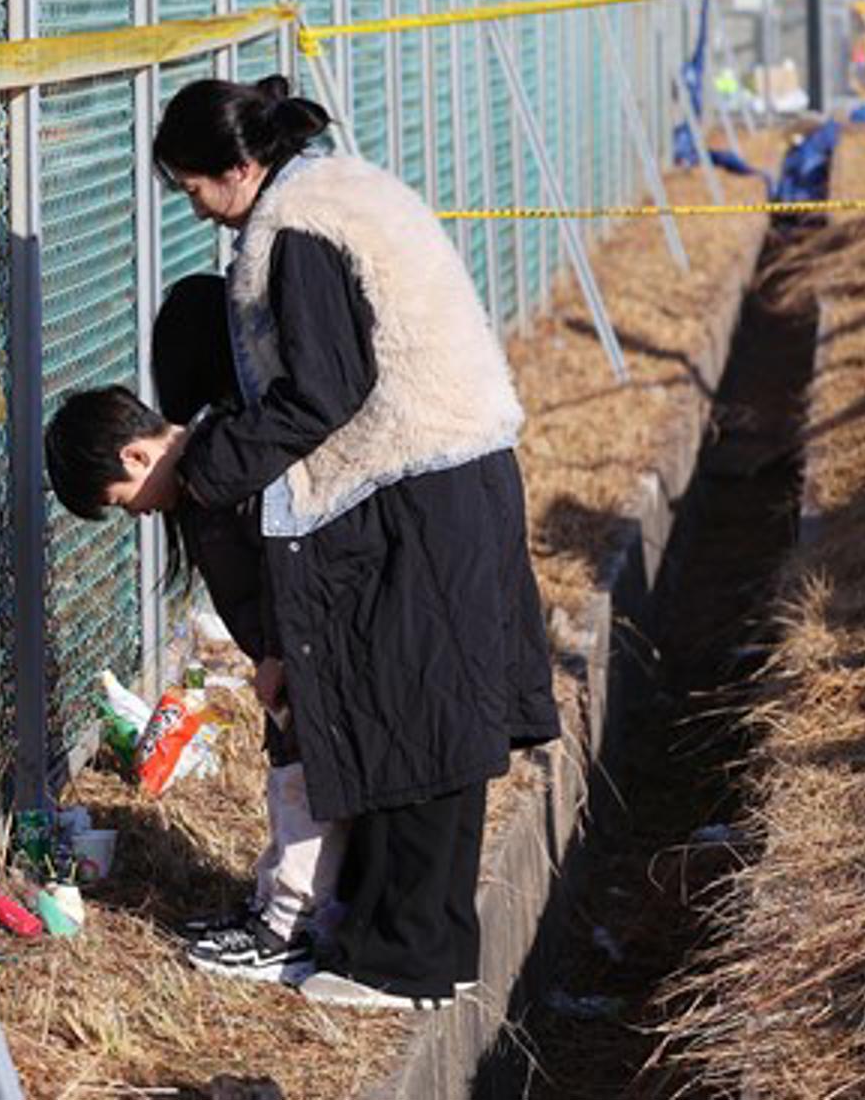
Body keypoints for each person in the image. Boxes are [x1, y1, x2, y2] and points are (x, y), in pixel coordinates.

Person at [49, 74, 559, 1011]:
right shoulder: (328, 198)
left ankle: (403, 961)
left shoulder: (297, 233)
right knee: (419, 718)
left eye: (195, 186)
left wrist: (210, 464)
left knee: (418, 725)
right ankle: (395, 945)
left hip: (421, 482)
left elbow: (325, 392)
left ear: (241, 167)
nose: (196, 208)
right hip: (446, 471)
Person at [142, 275, 346, 984]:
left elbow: (277, 566)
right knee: (293, 773)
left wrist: (280, 652)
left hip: (293, 648)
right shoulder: (238, 445)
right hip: (285, 648)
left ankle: (292, 919)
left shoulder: (226, 465)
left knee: (302, 777)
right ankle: (279, 902)